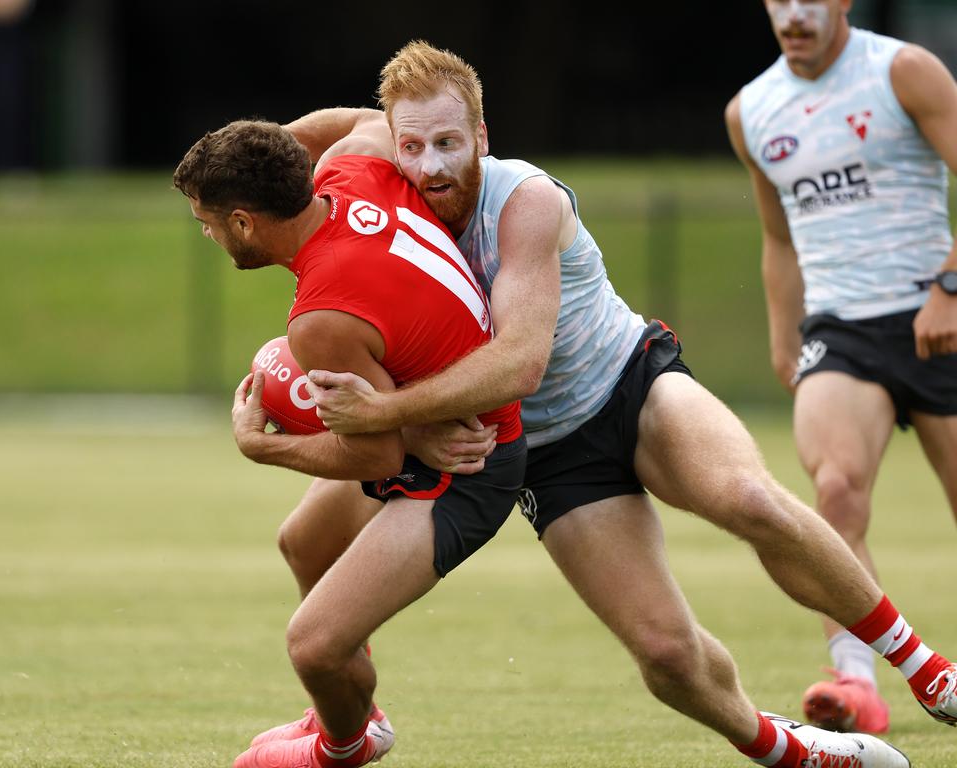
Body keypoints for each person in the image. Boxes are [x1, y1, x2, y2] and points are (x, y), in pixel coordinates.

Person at [248, 41, 950, 768]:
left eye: (450, 143)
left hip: (628, 387)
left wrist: (390, 415)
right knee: (666, 656)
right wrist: (268, 157)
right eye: (414, 145)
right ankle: (797, 754)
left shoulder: (525, 199)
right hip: (548, 460)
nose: (431, 166)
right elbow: (347, 126)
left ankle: (927, 668)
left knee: (749, 499)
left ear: (482, 138)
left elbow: (521, 361)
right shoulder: (383, 192)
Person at [172, 117, 527, 768]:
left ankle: (343, 746)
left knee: (314, 647)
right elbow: (372, 120)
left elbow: (378, 456)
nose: (207, 233)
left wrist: (264, 446)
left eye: (208, 220)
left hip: (471, 466)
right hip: (443, 422)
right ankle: (357, 710)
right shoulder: (353, 170)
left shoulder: (321, 320)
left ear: (245, 223)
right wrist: (263, 150)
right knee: (304, 542)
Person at [726, 0, 957, 735]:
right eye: (780, 1)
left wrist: (949, 289)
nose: (794, 15)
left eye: (810, 1)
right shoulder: (751, 110)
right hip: (841, 330)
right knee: (835, 493)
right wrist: (782, 333)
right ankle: (854, 682)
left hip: (936, 314)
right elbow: (777, 237)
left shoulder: (904, 72)